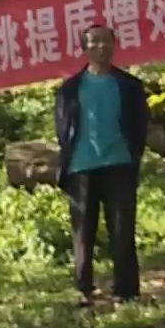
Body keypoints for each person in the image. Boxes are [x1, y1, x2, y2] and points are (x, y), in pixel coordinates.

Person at [56, 25, 151, 307]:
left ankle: (126, 290)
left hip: (119, 163)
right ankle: (84, 287)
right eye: (94, 41)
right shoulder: (71, 88)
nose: (101, 47)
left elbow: (140, 124)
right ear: (85, 47)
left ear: (115, 44)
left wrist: (133, 155)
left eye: (106, 41)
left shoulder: (129, 86)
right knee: (83, 231)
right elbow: (63, 127)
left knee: (122, 228)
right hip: (81, 166)